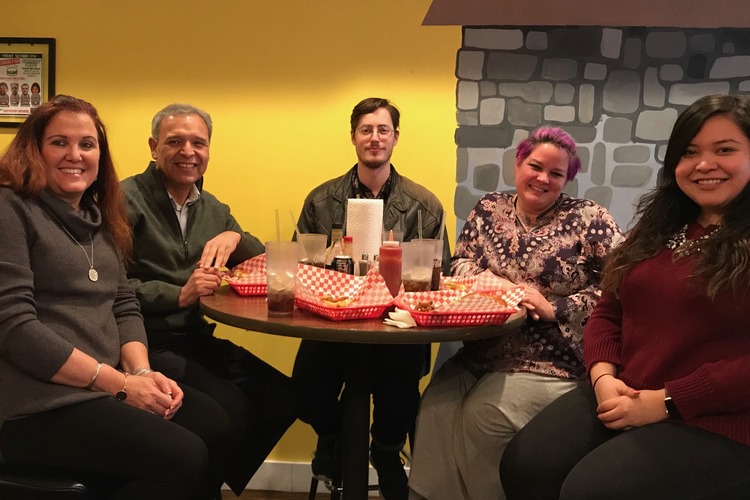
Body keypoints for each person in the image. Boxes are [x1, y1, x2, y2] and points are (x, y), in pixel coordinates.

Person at [500, 94, 750, 499]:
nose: (704, 164)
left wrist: (666, 401)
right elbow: (608, 308)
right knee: (526, 464)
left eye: (725, 150)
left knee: (591, 490)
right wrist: (602, 377)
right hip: (623, 388)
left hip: (720, 418)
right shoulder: (658, 226)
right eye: (690, 152)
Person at [0, 94, 236, 499]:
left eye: (87, 144)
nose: (74, 154)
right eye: (59, 142)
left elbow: (123, 303)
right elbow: (16, 328)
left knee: (214, 424)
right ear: (34, 150)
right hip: (36, 401)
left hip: (99, 384)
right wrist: (121, 386)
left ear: (100, 156)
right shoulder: (11, 208)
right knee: (183, 455)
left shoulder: (98, 215)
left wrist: (142, 374)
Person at [408, 126, 623, 500]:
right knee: (434, 409)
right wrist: (490, 281)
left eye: (556, 174)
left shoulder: (590, 218)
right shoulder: (488, 209)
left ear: (566, 180)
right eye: (535, 166)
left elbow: (621, 289)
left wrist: (554, 307)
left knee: (483, 416)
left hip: (554, 359)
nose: (542, 178)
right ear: (518, 163)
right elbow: (459, 263)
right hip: (483, 349)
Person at [121, 103, 298, 494]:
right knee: (229, 416)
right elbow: (112, 287)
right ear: (154, 147)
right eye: (175, 142)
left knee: (284, 397)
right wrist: (179, 293)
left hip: (196, 338)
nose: (188, 152)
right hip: (147, 342)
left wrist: (235, 237)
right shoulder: (124, 199)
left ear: (209, 151)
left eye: (198, 143)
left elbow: (261, 257)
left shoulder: (212, 207)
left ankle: (204, 482)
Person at [293, 97, 450, 500]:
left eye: (383, 130)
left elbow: (438, 276)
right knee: (305, 392)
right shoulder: (321, 199)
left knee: (399, 402)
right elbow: (300, 269)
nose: (374, 138)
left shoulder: (424, 204)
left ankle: (384, 451)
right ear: (353, 137)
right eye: (366, 129)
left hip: (394, 328)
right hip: (332, 326)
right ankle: (337, 436)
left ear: (396, 137)